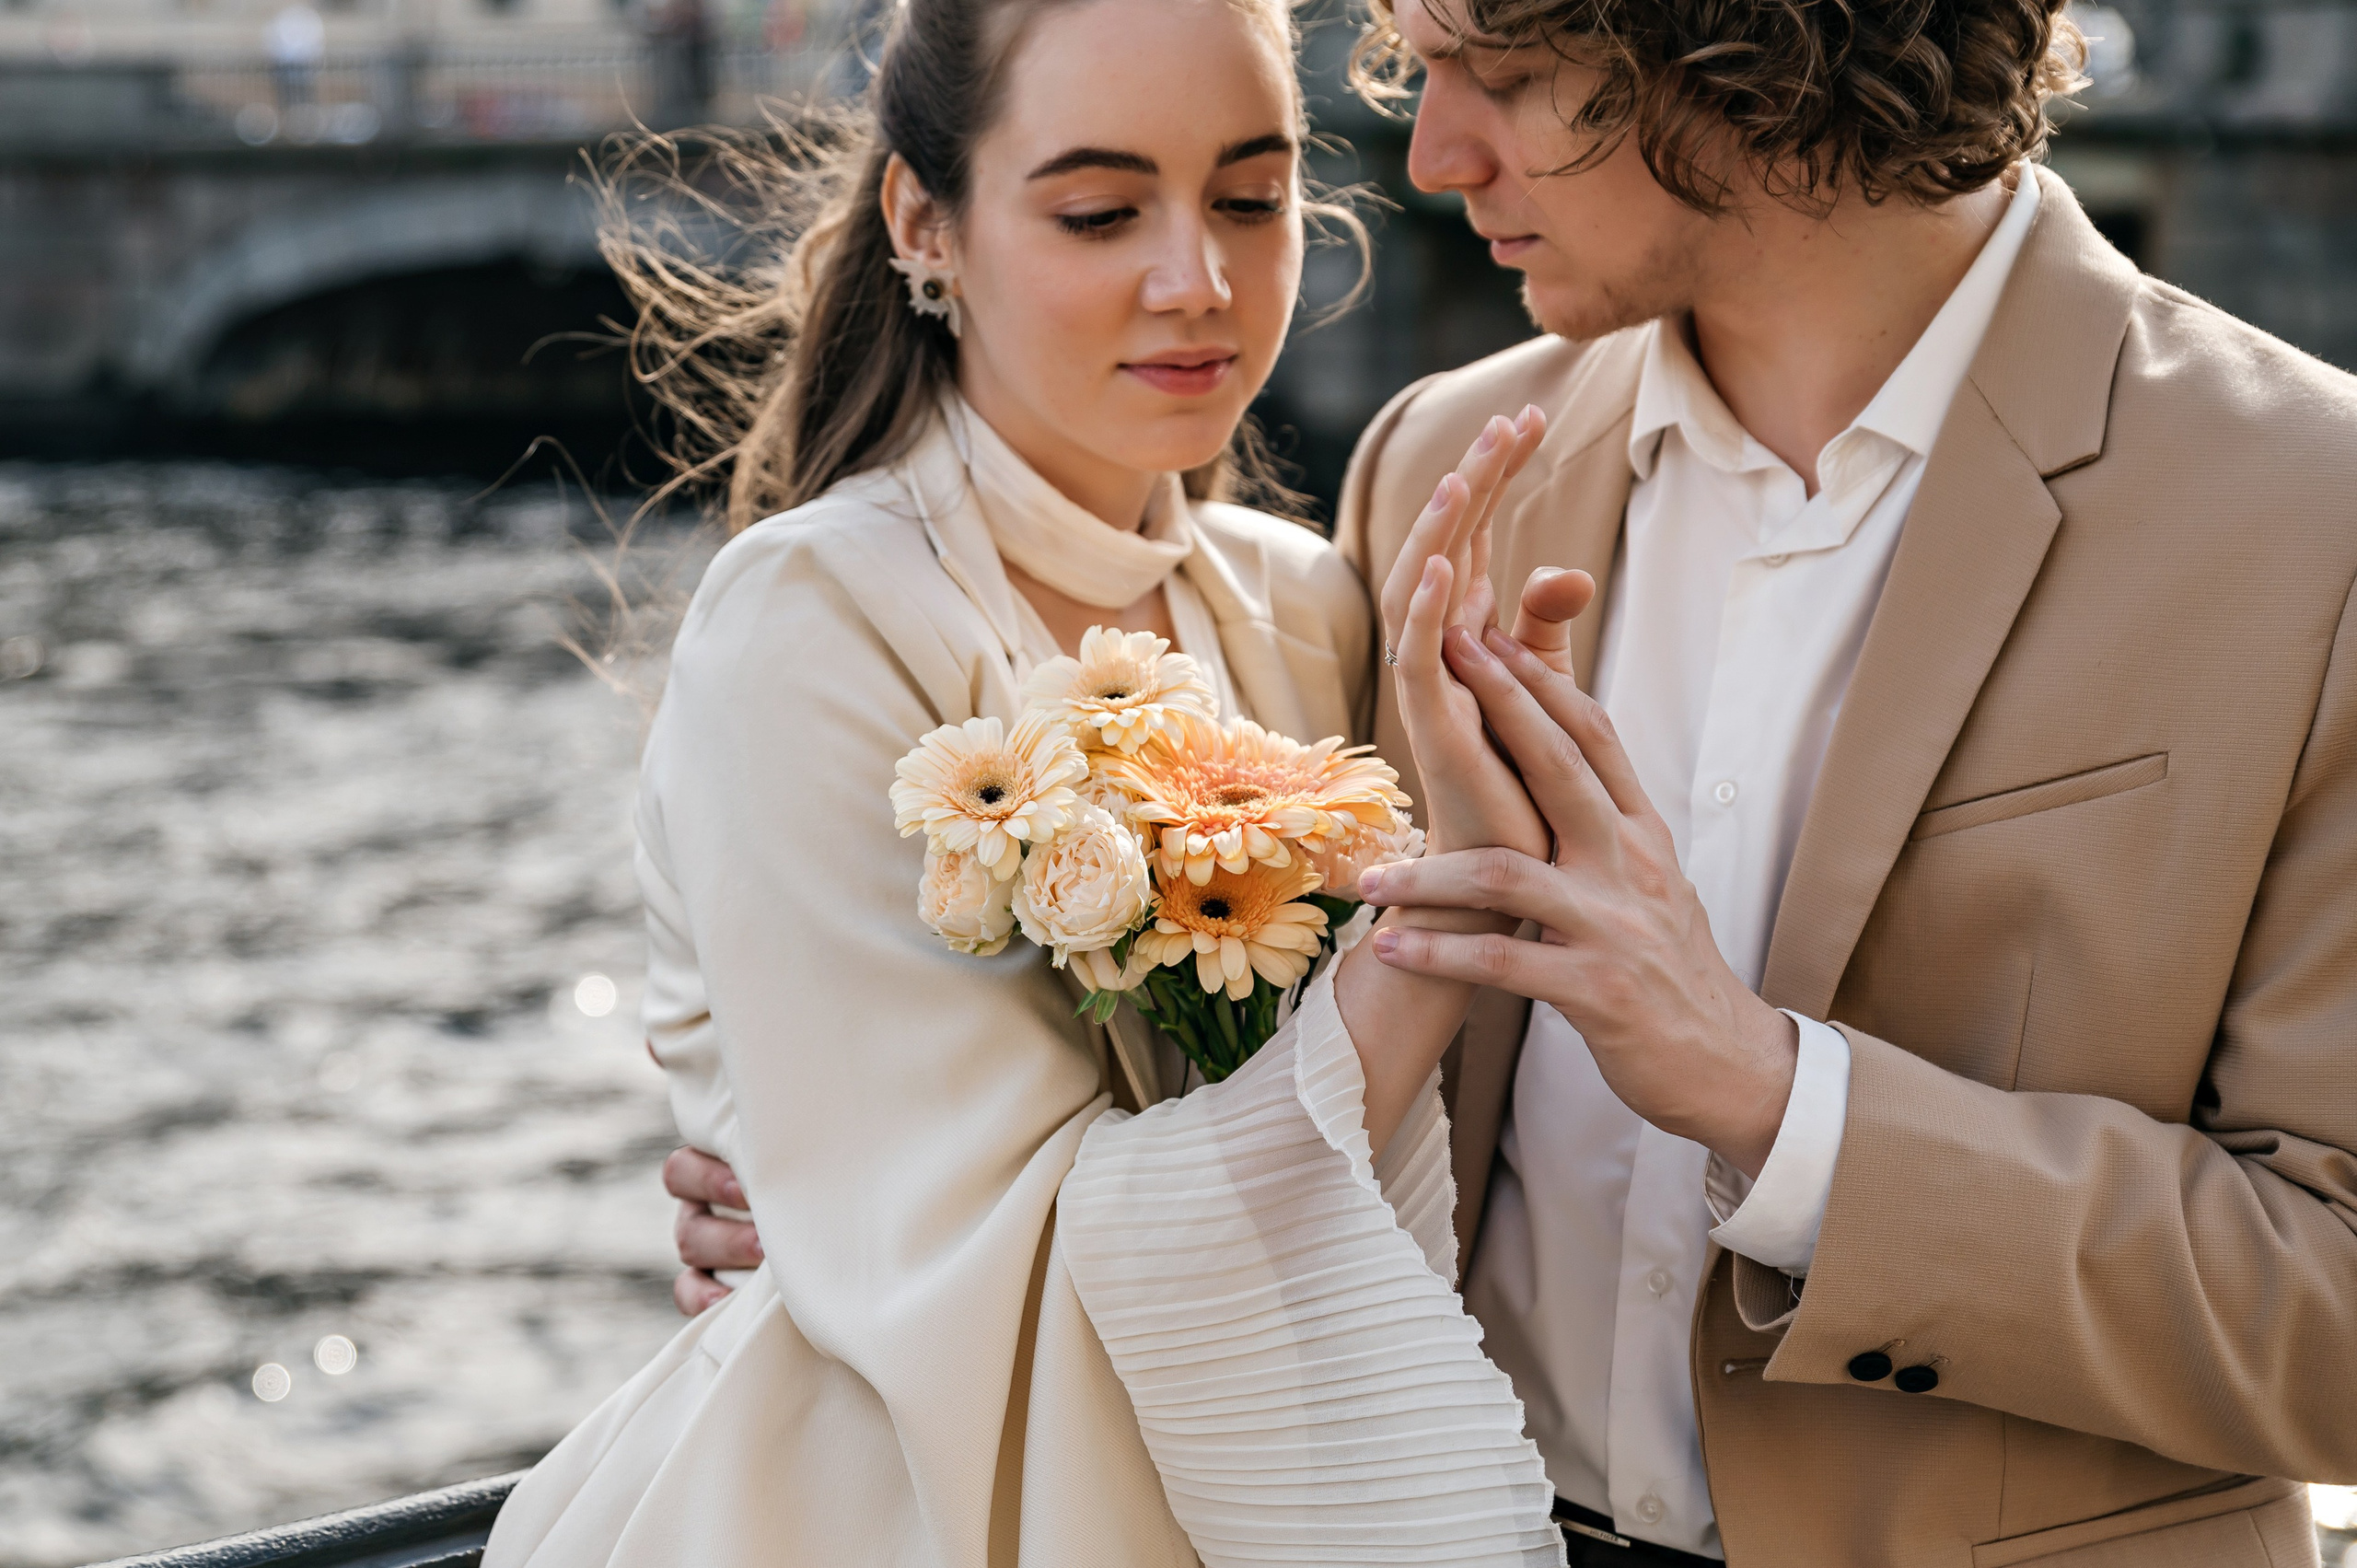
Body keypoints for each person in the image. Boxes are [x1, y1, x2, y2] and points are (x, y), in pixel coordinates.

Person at [675, 0, 2357, 1560]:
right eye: (1419, 64)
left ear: (1741, 37)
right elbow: (1286, 1073)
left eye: (1506, 68)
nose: (1427, 155)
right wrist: (869, 1218)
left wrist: (1783, 1106)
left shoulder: (2307, 517)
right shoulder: (1431, 476)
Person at [484, 0, 1600, 1561]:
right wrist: (1445, 922)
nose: (1197, 283)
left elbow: (1421, 1170)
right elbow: (960, 1277)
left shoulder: (1307, 604)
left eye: (1251, 198)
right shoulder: (811, 623)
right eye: (1098, 211)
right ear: (922, 223)